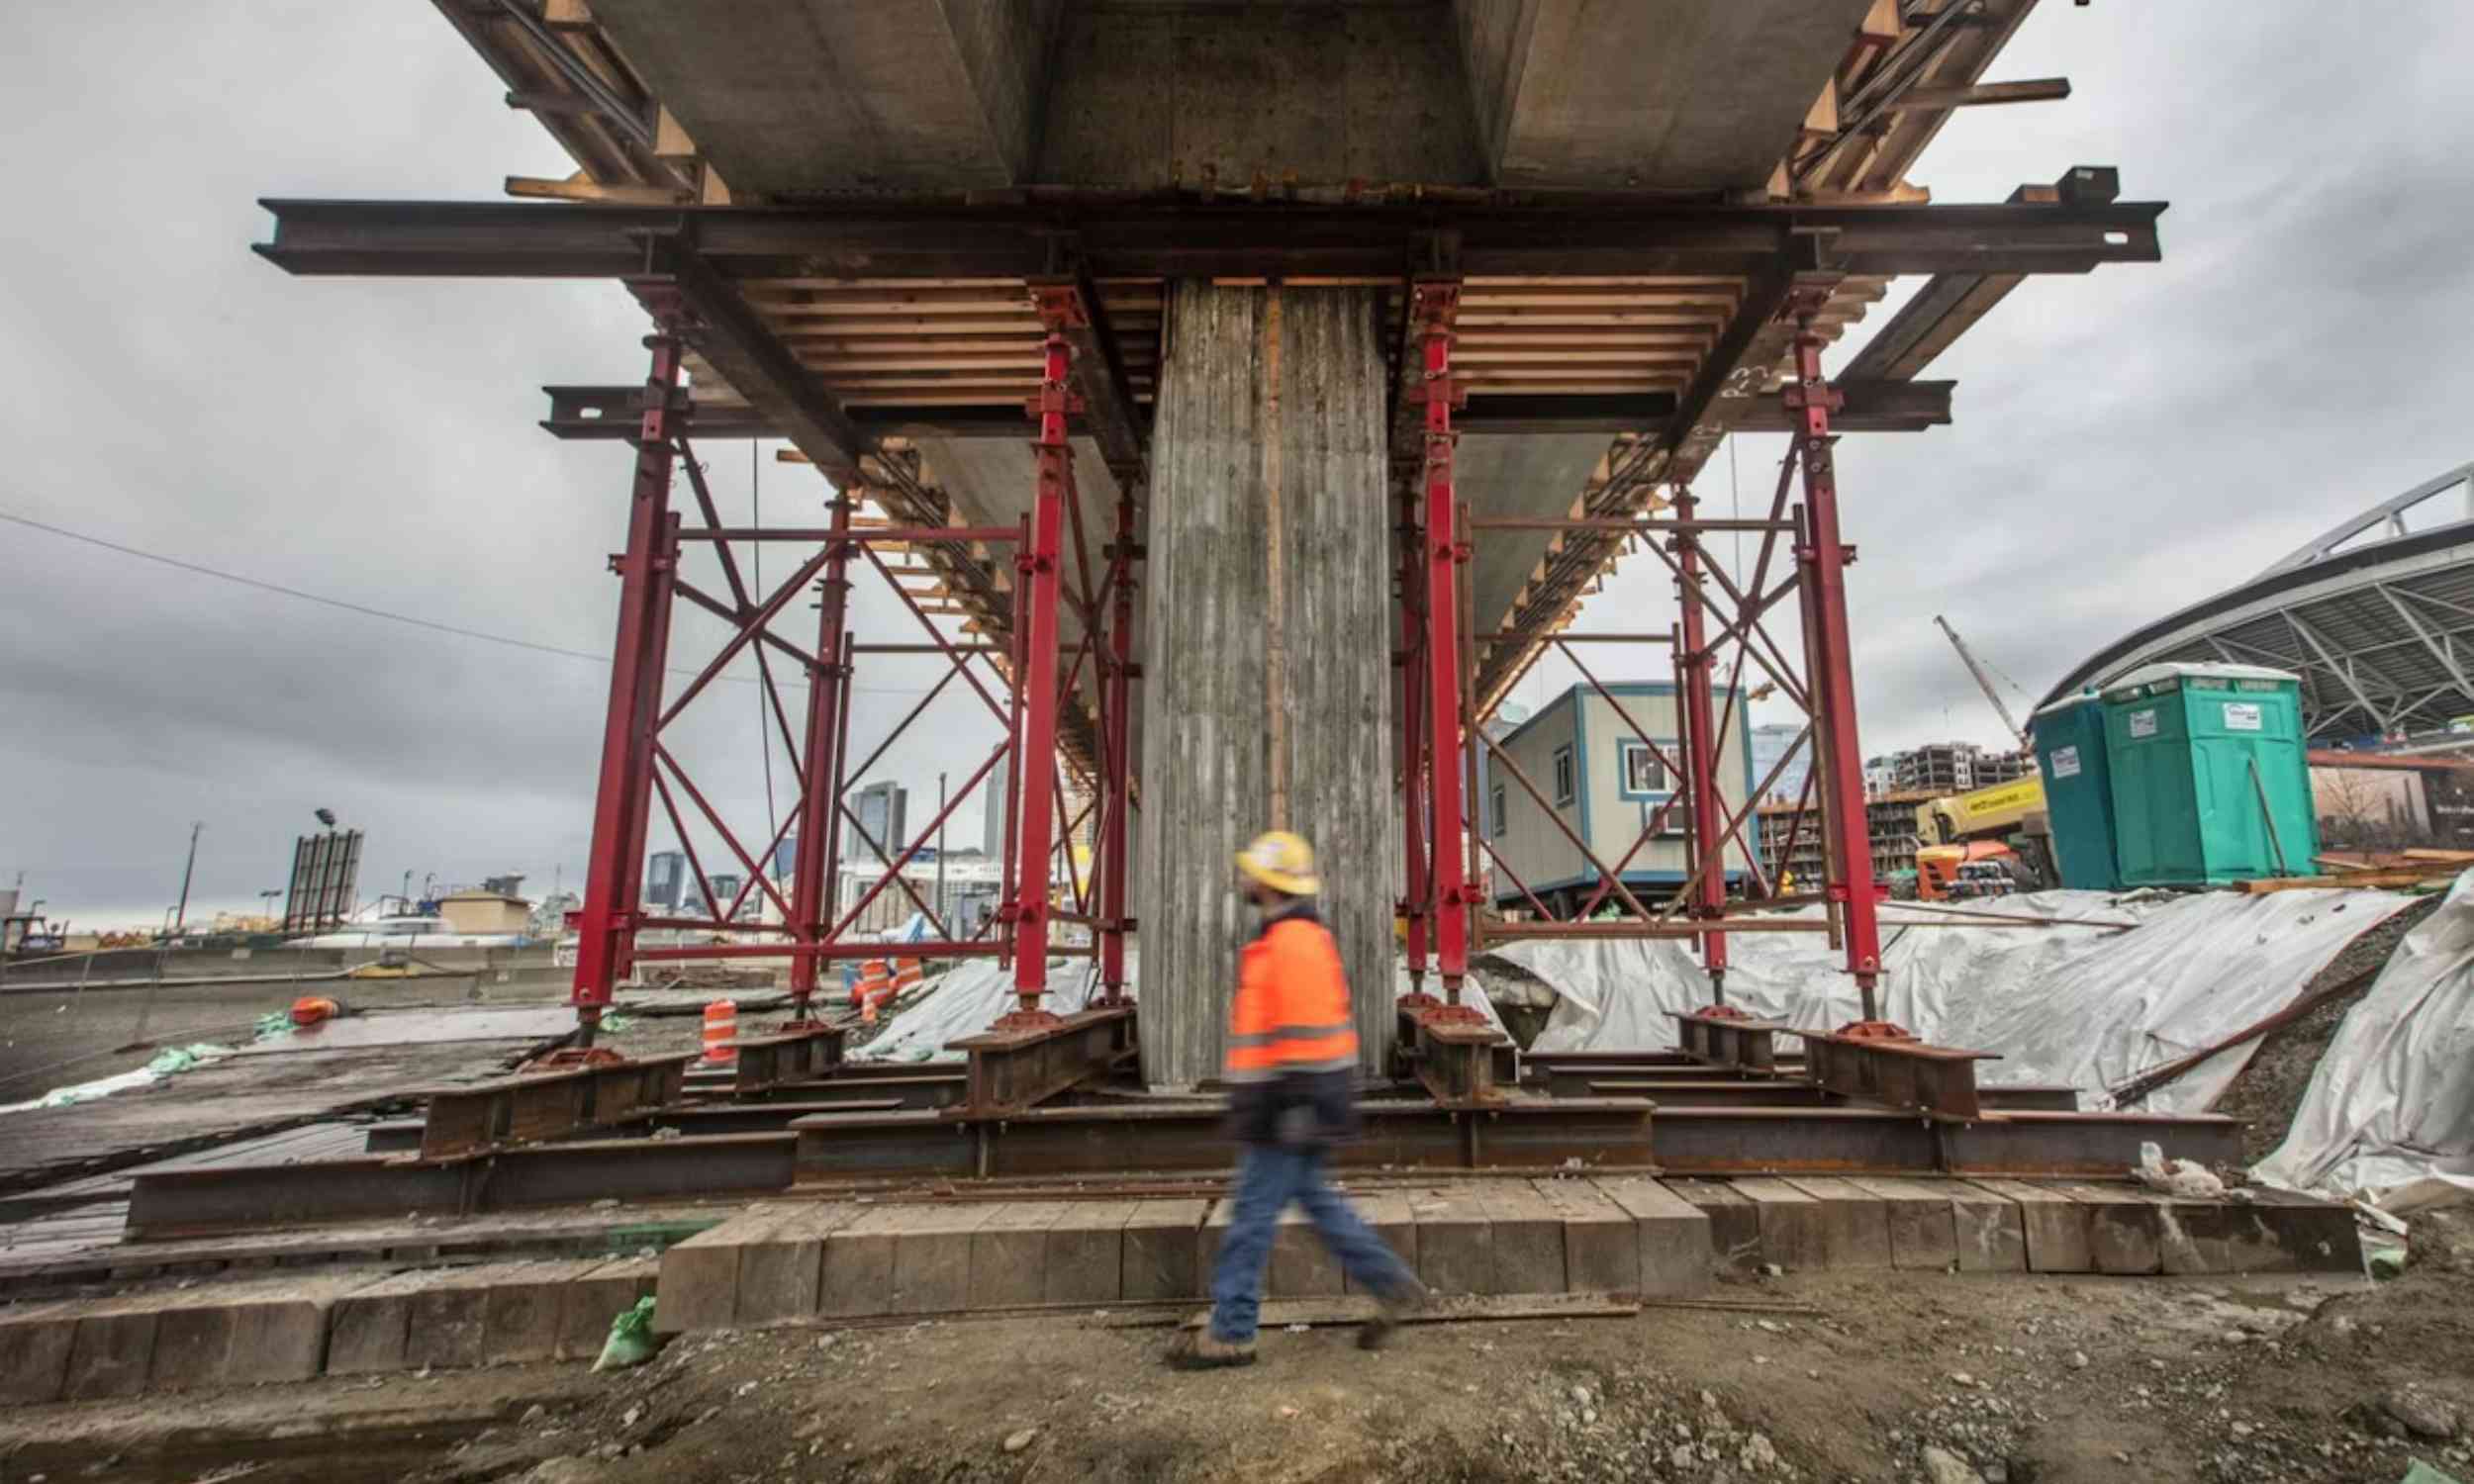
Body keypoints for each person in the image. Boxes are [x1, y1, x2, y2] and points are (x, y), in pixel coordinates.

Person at [1170, 830, 1426, 1370]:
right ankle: (1394, 1285)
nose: (1242, 878)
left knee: (1249, 1222)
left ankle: (1232, 1331)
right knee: (1322, 1208)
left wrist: (1294, 1108)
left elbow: (1304, 1036)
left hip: (1287, 1110)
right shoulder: (1284, 940)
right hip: (1287, 1106)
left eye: (1250, 872)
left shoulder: (1292, 945)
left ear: (1268, 882)